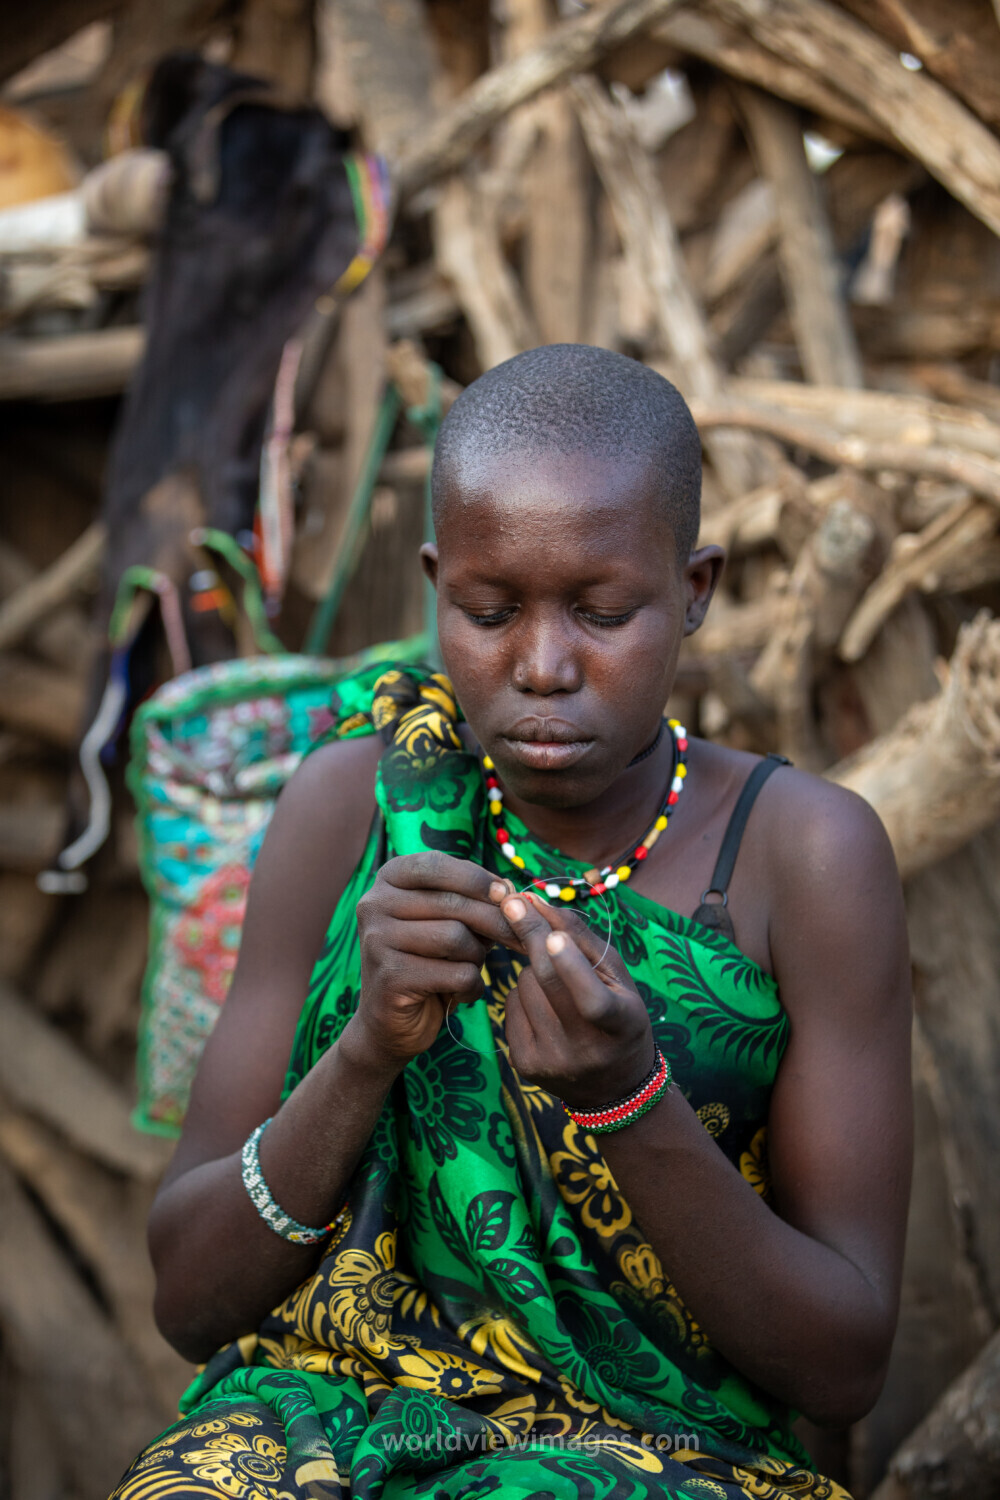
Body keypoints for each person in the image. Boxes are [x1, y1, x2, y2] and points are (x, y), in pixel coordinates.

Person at [113, 345, 913, 1500]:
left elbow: (845, 1365)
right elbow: (190, 1300)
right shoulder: (350, 808)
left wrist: (627, 1098)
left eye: (602, 612)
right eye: (489, 612)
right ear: (436, 584)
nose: (542, 666)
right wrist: (364, 1055)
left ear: (695, 590)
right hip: (327, 1416)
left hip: (666, 1450)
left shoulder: (805, 855)